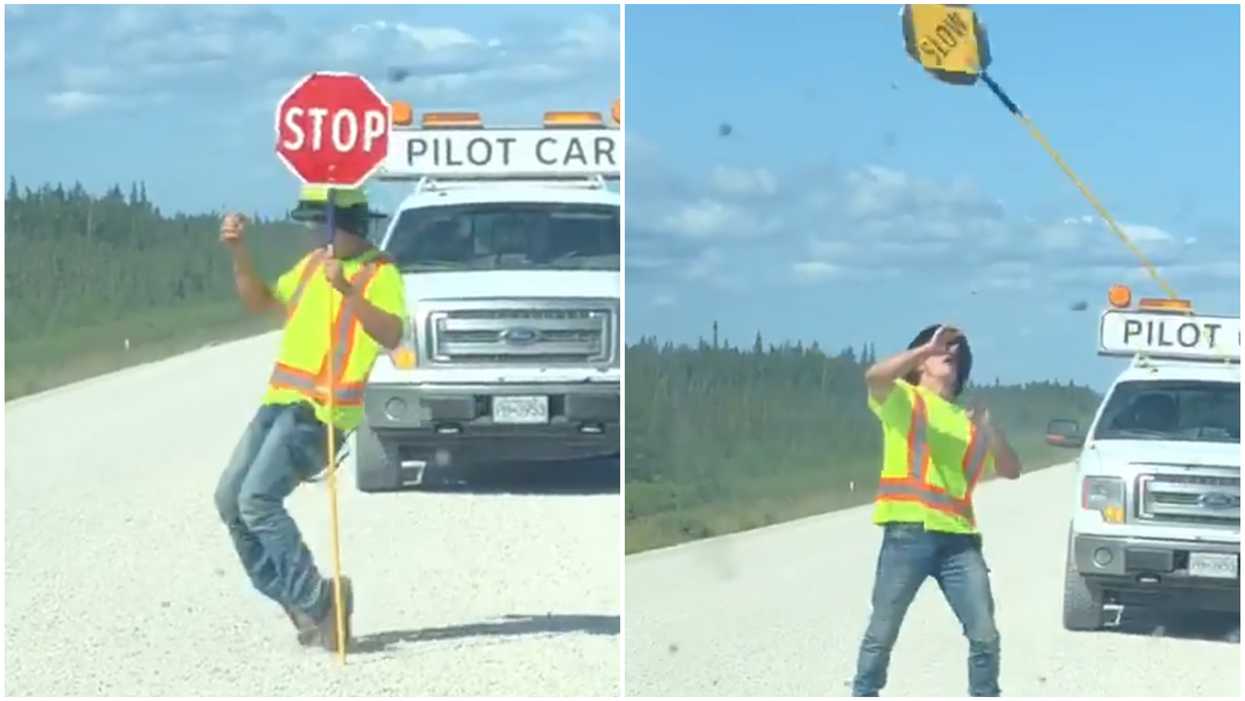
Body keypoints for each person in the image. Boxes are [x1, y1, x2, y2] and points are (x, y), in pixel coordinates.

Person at [213, 186, 406, 651]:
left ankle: (320, 603)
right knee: (229, 500)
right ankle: (302, 600)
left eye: (317, 224)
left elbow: (392, 333)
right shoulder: (313, 264)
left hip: (323, 411)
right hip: (281, 400)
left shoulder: (381, 272)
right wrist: (239, 254)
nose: (311, 234)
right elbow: (263, 303)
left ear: (347, 225)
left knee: (258, 500)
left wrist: (346, 291)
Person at [851, 324, 1022, 697]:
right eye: (943, 350)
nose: (952, 354)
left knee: (985, 635)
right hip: (907, 534)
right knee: (882, 632)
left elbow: (1011, 470)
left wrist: (992, 431)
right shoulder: (903, 399)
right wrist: (923, 348)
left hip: (960, 543)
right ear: (920, 364)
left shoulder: (968, 421)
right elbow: (873, 376)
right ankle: (864, 693)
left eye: (958, 353)